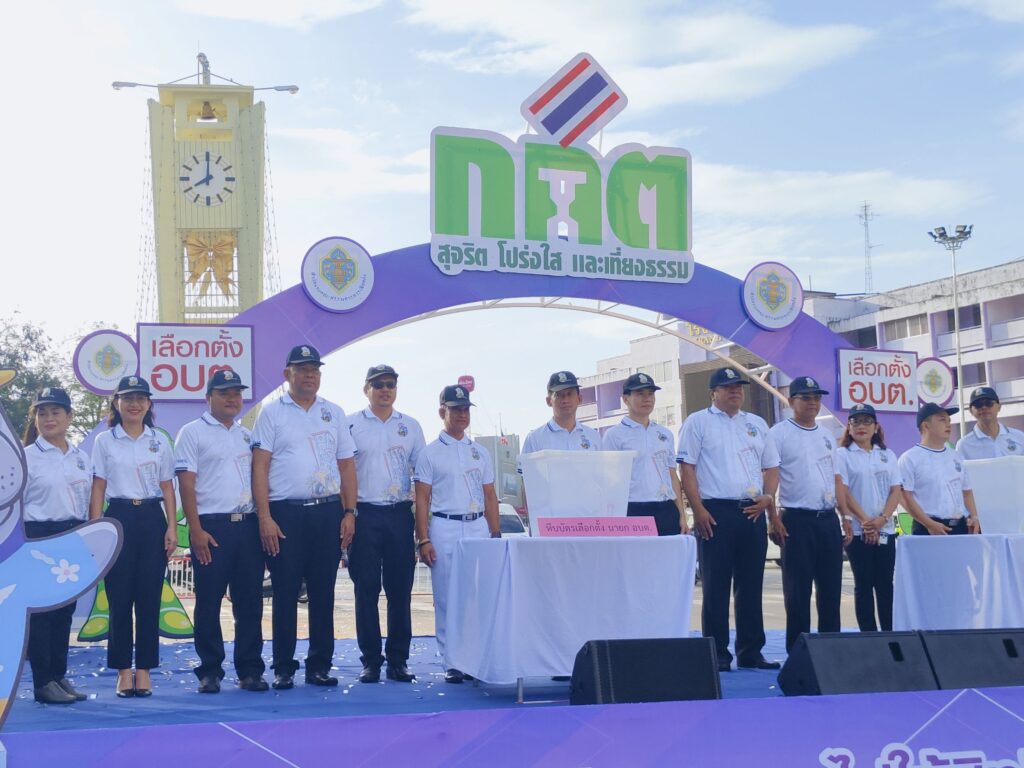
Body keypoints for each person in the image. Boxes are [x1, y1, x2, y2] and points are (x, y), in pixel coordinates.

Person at [251, 344, 358, 690]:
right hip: (285, 513)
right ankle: (283, 667)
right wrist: (264, 516)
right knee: (284, 592)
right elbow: (260, 466)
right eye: (302, 369)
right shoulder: (272, 414)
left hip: (327, 512)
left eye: (315, 369)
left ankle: (319, 666)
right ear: (288, 375)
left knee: (323, 592)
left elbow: (346, 466)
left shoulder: (334, 413)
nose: (310, 375)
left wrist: (349, 512)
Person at [677, 367, 779, 672]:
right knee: (715, 586)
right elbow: (687, 468)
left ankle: (751, 651)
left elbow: (772, 466)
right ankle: (717, 653)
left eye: (739, 387)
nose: (735, 391)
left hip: (752, 511)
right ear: (713, 393)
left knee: (751, 585)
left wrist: (769, 496)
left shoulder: (756, 424)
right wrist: (698, 508)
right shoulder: (698, 422)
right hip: (715, 511)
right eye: (727, 387)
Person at [175, 369, 267, 694]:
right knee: (209, 602)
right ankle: (210, 670)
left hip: (248, 526)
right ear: (208, 397)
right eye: (224, 392)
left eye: (236, 393)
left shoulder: (248, 436)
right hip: (211, 527)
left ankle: (250, 670)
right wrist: (195, 530)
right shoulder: (192, 432)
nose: (232, 398)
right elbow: (186, 484)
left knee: (250, 602)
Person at [89, 376, 177, 698]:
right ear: (117, 403)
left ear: (149, 403)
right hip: (119, 517)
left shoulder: (159, 441)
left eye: (140, 398)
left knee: (149, 598)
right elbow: (99, 486)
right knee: (120, 598)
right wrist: (96, 530)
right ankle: (124, 671)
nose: (134, 404)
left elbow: (167, 487)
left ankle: (145, 670)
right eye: (127, 398)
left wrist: (171, 527)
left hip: (152, 518)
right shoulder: (105, 441)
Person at [414, 385, 500, 684]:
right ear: (442, 412)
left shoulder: (480, 452)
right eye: (455, 409)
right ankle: (451, 660)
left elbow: (490, 495)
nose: (462, 414)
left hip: (477, 525)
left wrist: (495, 532)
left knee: (477, 596)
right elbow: (422, 498)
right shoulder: (430, 453)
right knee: (447, 597)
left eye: (465, 409)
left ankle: (474, 658)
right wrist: (423, 538)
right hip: (445, 525)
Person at [348, 364, 425, 684]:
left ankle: (398, 660)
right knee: (365, 590)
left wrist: (422, 528)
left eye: (390, 384)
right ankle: (370, 660)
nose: (384, 390)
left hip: (398, 514)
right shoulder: (350, 424)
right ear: (366, 389)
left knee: (400, 590)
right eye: (378, 384)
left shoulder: (411, 426)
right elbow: (343, 472)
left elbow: (422, 478)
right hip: (363, 514)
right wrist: (347, 514)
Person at [22, 387, 92, 704]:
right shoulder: (25, 458)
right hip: (38, 535)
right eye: (42, 413)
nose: (49, 418)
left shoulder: (81, 458)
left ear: (69, 417)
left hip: (73, 534)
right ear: (35, 418)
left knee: (65, 610)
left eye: (55, 412)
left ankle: (58, 675)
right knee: (42, 611)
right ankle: (43, 682)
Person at [768, 376, 844, 654]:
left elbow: (836, 478)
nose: (813, 402)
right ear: (791, 401)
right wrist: (772, 517)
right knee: (798, 590)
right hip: (796, 519)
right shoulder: (778, 433)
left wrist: (845, 516)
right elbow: (771, 476)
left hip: (828, 518)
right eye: (806, 397)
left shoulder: (826, 435)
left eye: (816, 398)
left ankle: (830, 649)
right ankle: (798, 651)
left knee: (831, 588)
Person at [834, 403, 902, 632]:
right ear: (849, 427)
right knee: (863, 584)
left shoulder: (887, 455)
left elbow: (896, 490)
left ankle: (890, 632)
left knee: (885, 584)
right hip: (857, 529)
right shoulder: (843, 455)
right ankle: (868, 635)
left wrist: (882, 519)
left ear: (876, 427)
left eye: (866, 421)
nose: (861, 426)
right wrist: (866, 522)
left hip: (885, 529)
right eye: (855, 422)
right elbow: (844, 491)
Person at [604, 373, 688, 536]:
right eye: (640, 394)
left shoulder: (664, 434)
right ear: (626, 399)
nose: (647, 399)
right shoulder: (614, 435)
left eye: (650, 394)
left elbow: (672, 475)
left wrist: (682, 515)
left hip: (665, 507)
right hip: (633, 508)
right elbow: (609, 480)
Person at [900, 402, 981, 536]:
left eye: (949, 421)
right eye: (942, 420)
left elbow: (967, 492)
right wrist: (929, 524)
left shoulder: (956, 456)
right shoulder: (909, 458)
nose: (948, 425)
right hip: (927, 529)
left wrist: (974, 517)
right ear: (926, 426)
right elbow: (904, 497)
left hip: (960, 527)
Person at [956, 386, 1024, 460]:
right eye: (978, 405)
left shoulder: (1019, 437)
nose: (984, 407)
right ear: (971, 411)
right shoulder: (963, 445)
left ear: (999, 406)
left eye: (988, 403)